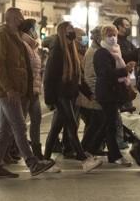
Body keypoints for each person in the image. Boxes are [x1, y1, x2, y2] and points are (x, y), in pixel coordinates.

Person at [0, 8, 54, 178]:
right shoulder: (1, 35)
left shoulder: (14, 35)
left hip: (15, 88)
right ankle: (32, 163)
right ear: (12, 18)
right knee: (19, 126)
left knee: (5, 129)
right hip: (7, 90)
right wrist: (9, 88)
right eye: (19, 17)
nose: (22, 20)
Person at [43, 21, 101, 172]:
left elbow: (77, 77)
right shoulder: (58, 50)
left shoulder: (71, 50)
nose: (72, 33)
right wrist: (49, 99)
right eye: (69, 30)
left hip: (69, 95)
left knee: (56, 128)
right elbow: (49, 76)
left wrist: (88, 93)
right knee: (72, 126)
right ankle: (83, 159)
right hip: (61, 95)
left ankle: (45, 161)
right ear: (63, 32)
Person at [94, 25, 135, 166]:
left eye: (114, 35)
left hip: (113, 93)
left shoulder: (115, 51)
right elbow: (106, 74)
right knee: (111, 124)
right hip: (106, 93)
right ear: (103, 36)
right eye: (109, 35)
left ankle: (90, 148)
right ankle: (114, 155)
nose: (113, 38)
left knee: (108, 123)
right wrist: (125, 70)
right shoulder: (102, 53)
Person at [19, 19, 43, 160]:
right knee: (19, 124)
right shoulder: (24, 45)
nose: (37, 31)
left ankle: (36, 150)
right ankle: (14, 149)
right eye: (36, 28)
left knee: (36, 119)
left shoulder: (32, 46)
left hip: (34, 91)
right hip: (26, 91)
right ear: (30, 29)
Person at [80, 26, 105, 154]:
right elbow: (90, 76)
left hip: (97, 93)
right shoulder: (93, 53)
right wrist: (95, 94)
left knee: (96, 122)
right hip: (94, 95)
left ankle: (91, 148)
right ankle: (86, 148)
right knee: (96, 122)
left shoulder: (98, 51)